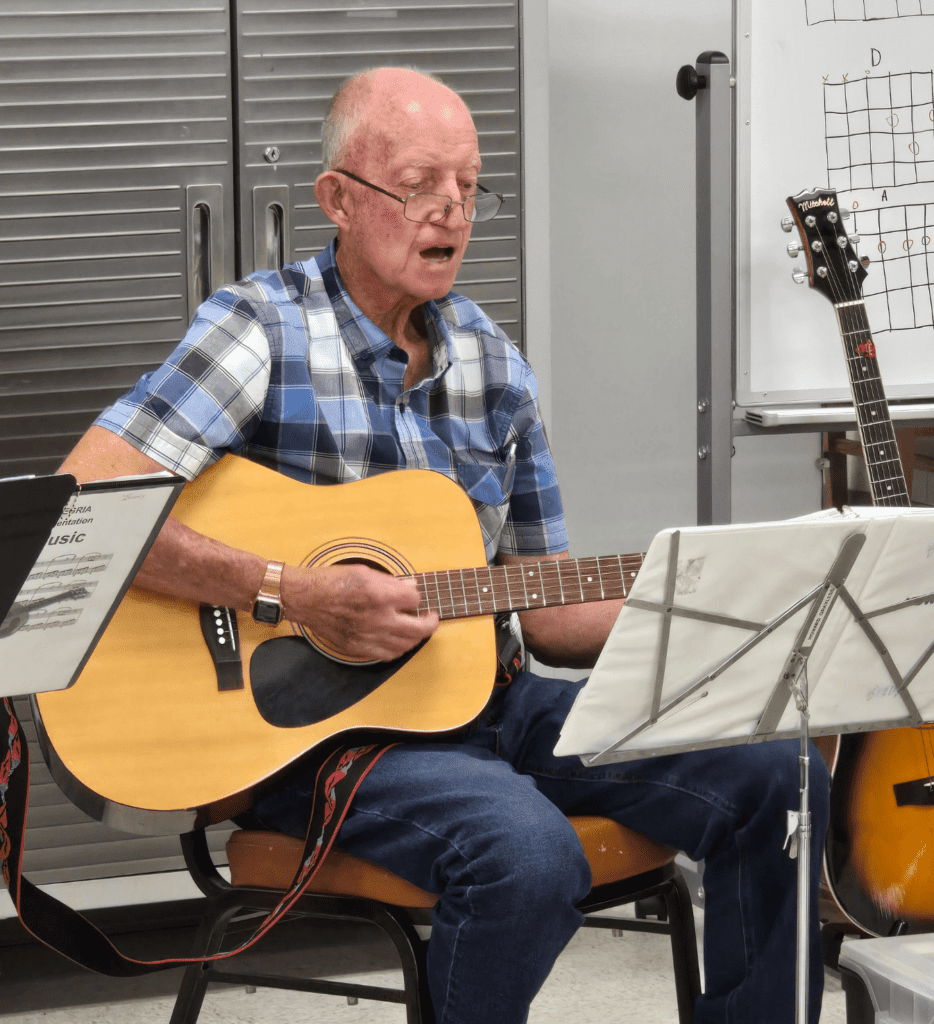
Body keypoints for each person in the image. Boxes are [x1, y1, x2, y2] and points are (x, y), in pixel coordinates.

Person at [60, 67, 830, 1024]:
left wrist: (712, 592)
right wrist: (289, 591)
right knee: (527, 853)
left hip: (490, 708)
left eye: (469, 186)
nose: (452, 211)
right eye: (421, 183)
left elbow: (547, 613)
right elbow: (87, 502)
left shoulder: (495, 367)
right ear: (339, 199)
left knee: (777, 774)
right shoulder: (261, 329)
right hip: (317, 747)